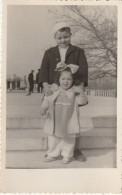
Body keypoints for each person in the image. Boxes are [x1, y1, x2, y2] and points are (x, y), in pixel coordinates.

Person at [39, 22, 88, 161]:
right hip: (54, 87)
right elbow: (44, 69)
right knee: (54, 120)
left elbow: (83, 70)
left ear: (70, 35)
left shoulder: (78, 51)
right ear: (55, 38)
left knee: (72, 120)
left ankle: (73, 150)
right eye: (59, 38)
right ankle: (52, 150)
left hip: (73, 88)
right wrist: (45, 85)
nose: (63, 40)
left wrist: (82, 86)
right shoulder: (49, 52)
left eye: (66, 37)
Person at [40, 64, 88, 164]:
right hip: (56, 118)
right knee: (53, 137)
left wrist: (81, 92)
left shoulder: (75, 91)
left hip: (69, 118)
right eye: (63, 79)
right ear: (59, 79)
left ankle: (67, 155)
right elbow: (47, 99)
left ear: (73, 80)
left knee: (69, 138)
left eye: (69, 79)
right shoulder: (54, 89)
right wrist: (44, 108)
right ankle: (52, 154)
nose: (66, 81)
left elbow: (82, 102)